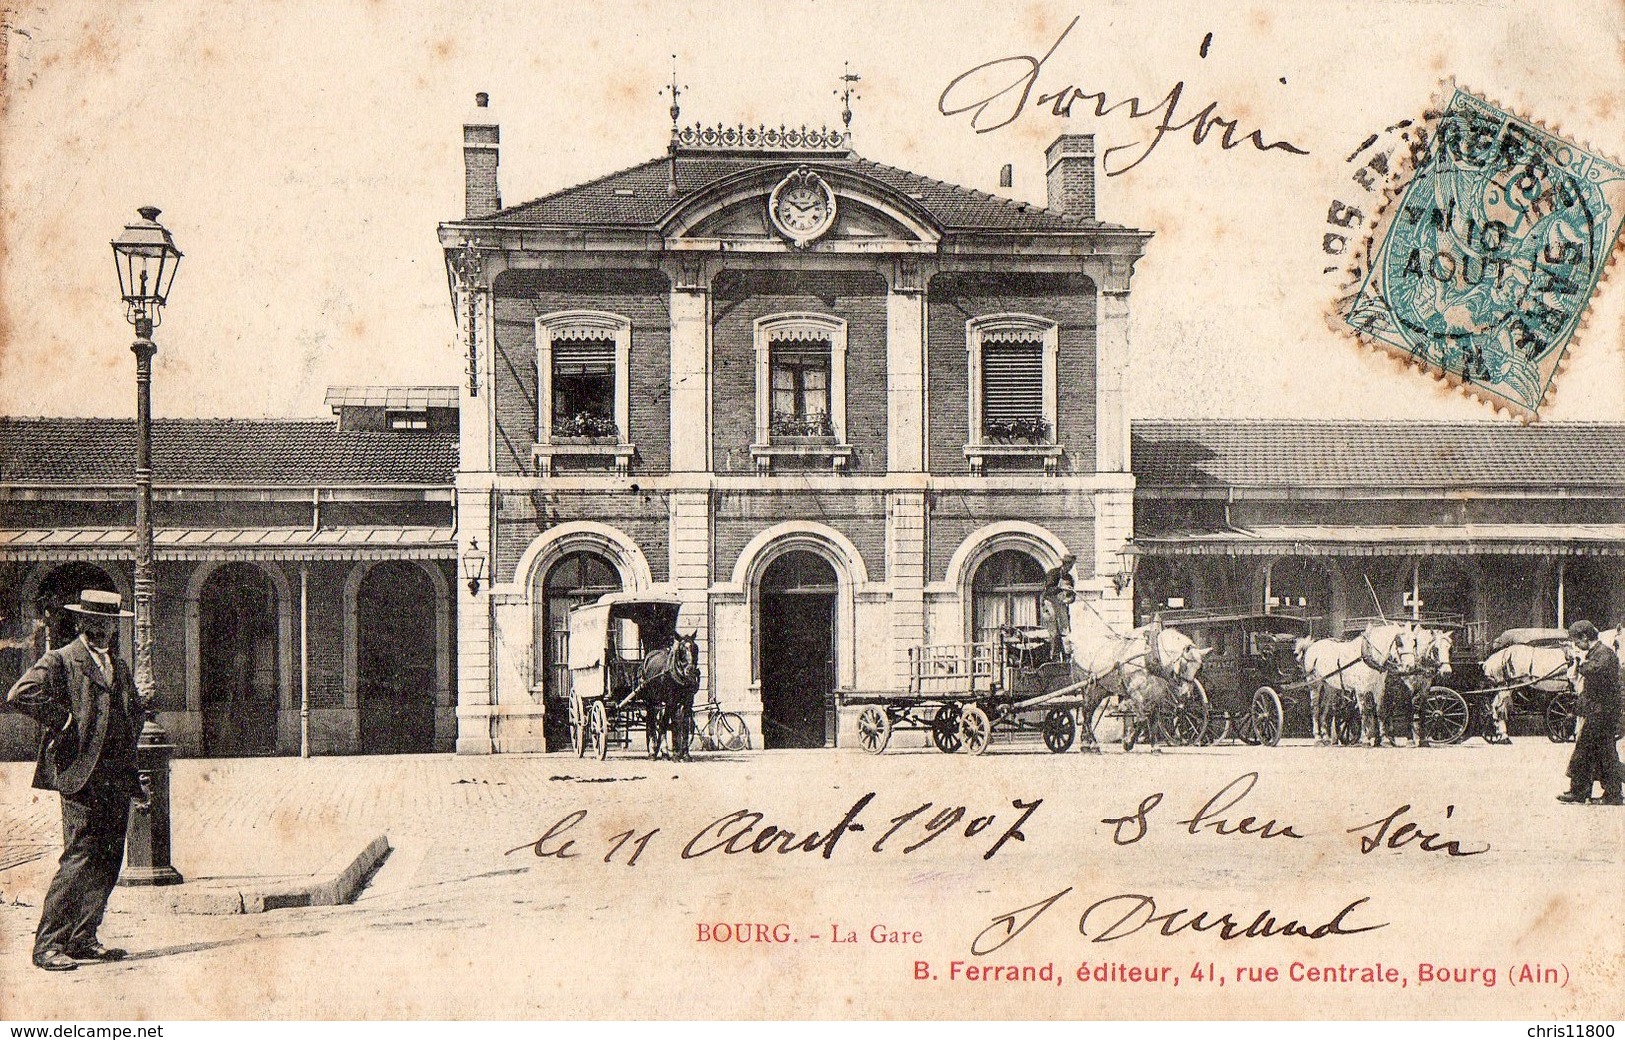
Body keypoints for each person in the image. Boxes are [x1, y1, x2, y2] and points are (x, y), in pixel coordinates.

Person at [5, 590, 146, 971]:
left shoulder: (117, 664)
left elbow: (131, 712)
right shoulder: (63, 659)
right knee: (79, 859)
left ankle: (84, 937)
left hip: (115, 778)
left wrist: (132, 767)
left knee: (108, 858)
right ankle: (48, 945)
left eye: (112, 623)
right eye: (98, 622)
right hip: (80, 776)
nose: (105, 630)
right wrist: (64, 721)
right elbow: (20, 693)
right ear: (83, 623)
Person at [1556, 620, 1622, 806]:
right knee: (1604, 754)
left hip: (1601, 713)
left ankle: (1580, 792)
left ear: (1585, 637)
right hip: (1599, 712)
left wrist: (1579, 662)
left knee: (1585, 751)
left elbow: (1594, 670)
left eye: (1576, 641)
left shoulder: (1603, 654)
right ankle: (1612, 793)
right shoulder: (1596, 653)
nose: (1576, 645)